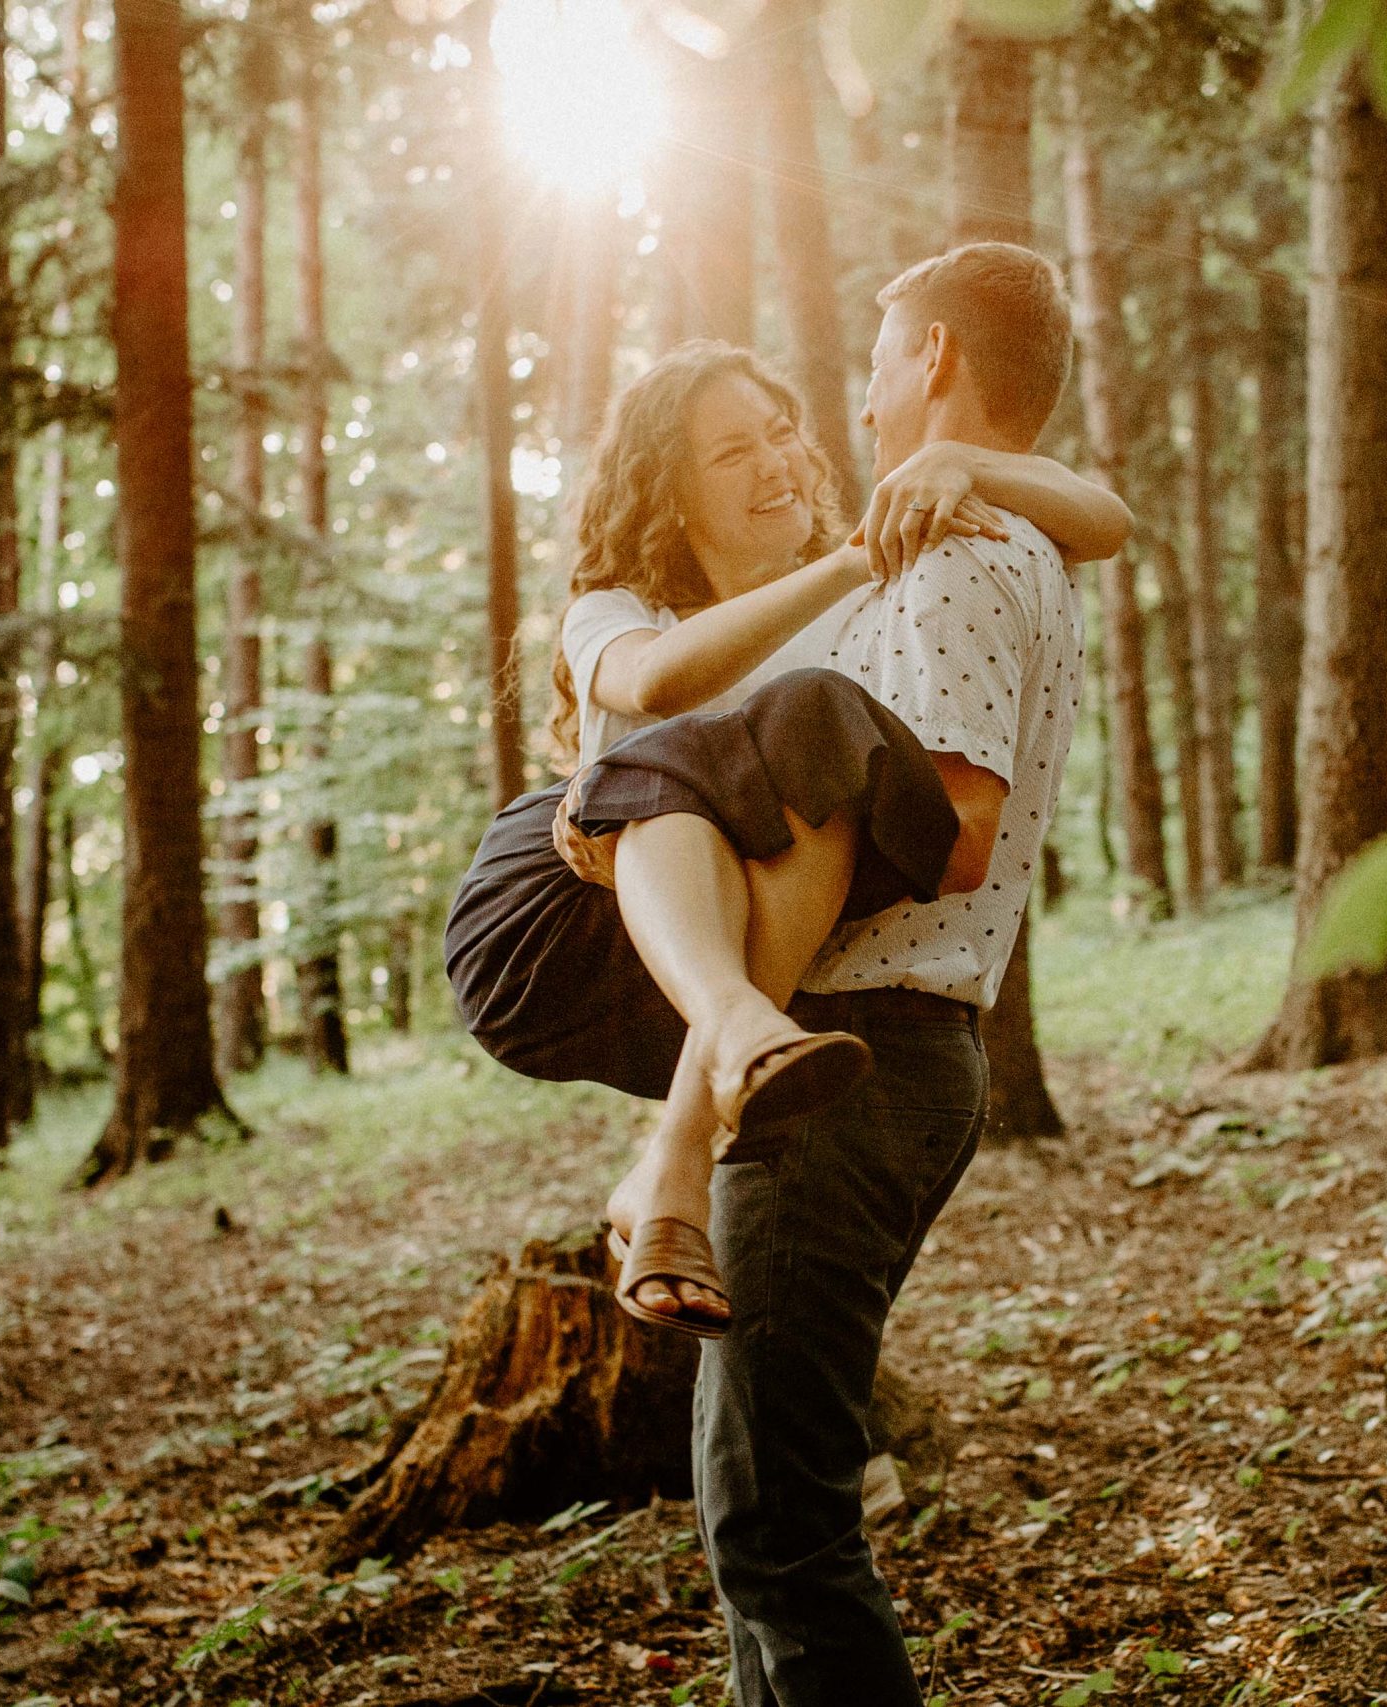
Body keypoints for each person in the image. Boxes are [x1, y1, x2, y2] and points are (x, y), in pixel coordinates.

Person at [441, 338, 1125, 1339]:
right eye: (732, 454)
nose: (778, 465)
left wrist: (966, 464)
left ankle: (673, 1164)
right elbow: (657, 683)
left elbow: (1104, 522)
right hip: (551, 923)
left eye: (781, 434)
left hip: (712, 949)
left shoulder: (862, 612)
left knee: (823, 742)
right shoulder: (618, 611)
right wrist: (853, 560)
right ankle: (729, 1044)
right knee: (802, 720)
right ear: (670, 496)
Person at [684, 243, 1088, 1705]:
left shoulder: (964, 562)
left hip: (858, 1056)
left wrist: (732, 881)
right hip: (864, 1053)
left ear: (929, 360)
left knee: (781, 1531)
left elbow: (955, 829)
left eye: (874, 356)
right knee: (758, 1521)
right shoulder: (975, 542)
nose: (854, 399)